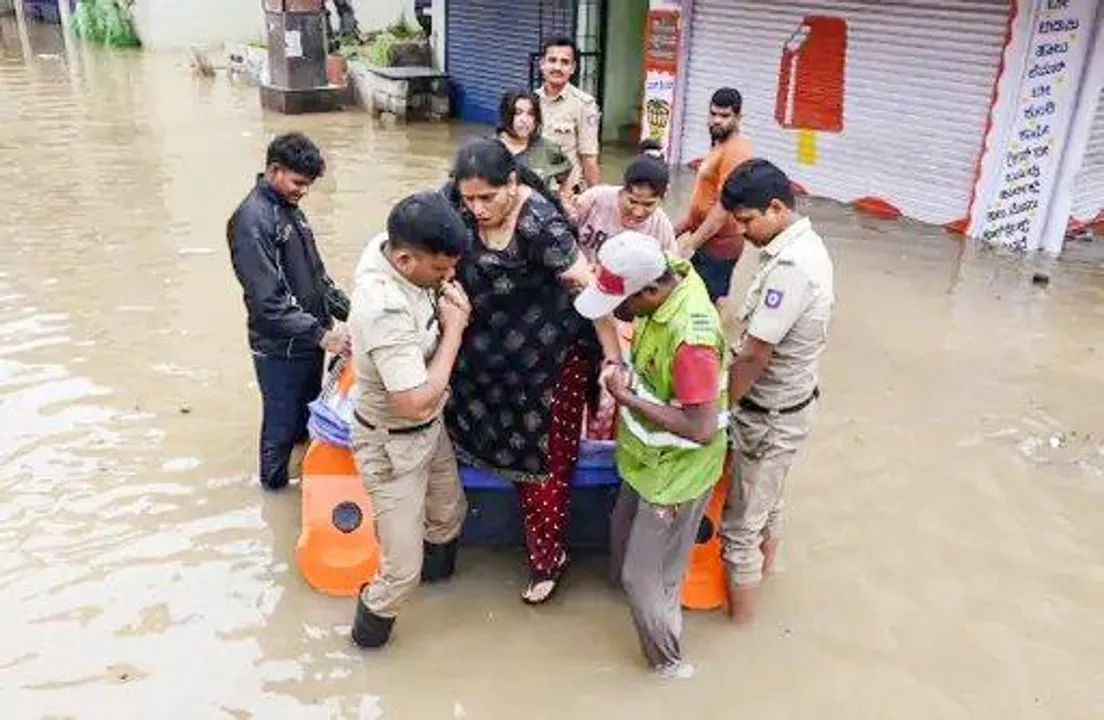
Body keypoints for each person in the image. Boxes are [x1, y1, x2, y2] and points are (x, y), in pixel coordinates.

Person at [443, 138, 621, 604]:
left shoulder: (541, 225)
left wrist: (613, 357)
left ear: (514, 183)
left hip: (546, 361)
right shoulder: (456, 204)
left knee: (543, 467)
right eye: (469, 199)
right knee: (454, 425)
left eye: (488, 198)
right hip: (483, 353)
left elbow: (590, 290)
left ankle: (548, 560)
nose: (477, 209)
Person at [573, 231, 729, 680]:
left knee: (644, 580)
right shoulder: (668, 273)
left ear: (650, 291)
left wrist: (626, 398)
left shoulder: (690, 339)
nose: (617, 314)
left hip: (675, 474)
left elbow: (700, 428)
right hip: (644, 461)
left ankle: (668, 666)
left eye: (621, 304)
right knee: (621, 548)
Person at [346, 191, 473, 649]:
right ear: (402, 260)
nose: (450, 277)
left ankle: (442, 592)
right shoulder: (384, 308)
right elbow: (414, 402)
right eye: (440, 271)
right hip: (392, 441)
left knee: (449, 514)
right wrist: (455, 328)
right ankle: (365, 648)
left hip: (429, 430)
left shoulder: (394, 243)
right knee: (400, 574)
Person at [719, 159, 834, 625]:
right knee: (767, 508)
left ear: (775, 208)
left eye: (747, 221)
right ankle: (766, 582)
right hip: (790, 406)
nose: (742, 232)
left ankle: (741, 631)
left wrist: (717, 410)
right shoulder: (806, 244)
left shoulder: (790, 267)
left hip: (769, 415)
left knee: (739, 530)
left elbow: (753, 357)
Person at [227, 132, 351, 492]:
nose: (304, 191)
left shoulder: (290, 211)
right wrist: (324, 335)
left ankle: (304, 487)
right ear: (275, 170)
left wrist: (354, 314)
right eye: (298, 182)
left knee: (304, 422)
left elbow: (318, 278)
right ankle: (274, 493)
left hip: (308, 340)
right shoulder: (252, 222)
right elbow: (268, 303)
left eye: (308, 184)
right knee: (280, 429)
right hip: (280, 348)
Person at [674, 87, 753, 307]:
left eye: (724, 116)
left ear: (738, 117)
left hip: (719, 245)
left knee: (704, 305)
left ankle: (718, 340)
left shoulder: (736, 151)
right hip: (704, 238)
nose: (716, 120)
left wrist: (690, 245)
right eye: (713, 114)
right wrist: (671, 233)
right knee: (694, 298)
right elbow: (700, 203)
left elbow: (721, 210)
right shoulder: (720, 143)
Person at [572, 154, 677, 263]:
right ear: (623, 190)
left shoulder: (660, 226)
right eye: (632, 201)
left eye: (648, 204)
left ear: (662, 199)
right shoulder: (593, 200)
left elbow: (672, 267)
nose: (638, 213)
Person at [537, 36, 601, 191]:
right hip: (534, 190)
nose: (557, 67)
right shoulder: (530, 102)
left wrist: (596, 198)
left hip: (567, 194)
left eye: (564, 62)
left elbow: (589, 158)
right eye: (552, 60)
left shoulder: (584, 105)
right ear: (542, 64)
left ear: (573, 68)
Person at [496, 89, 575, 204]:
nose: (524, 120)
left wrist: (561, 202)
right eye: (518, 113)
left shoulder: (546, 148)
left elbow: (566, 176)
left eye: (531, 114)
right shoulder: (488, 150)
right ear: (506, 115)